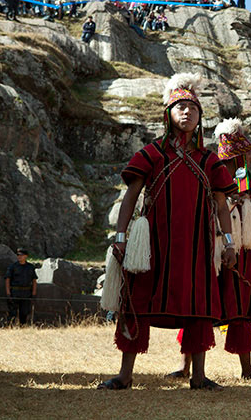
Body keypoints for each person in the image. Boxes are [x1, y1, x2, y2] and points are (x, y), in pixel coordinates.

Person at [98, 73, 237, 390]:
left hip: (196, 247)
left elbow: (221, 205)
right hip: (152, 245)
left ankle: (199, 376)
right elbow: (131, 196)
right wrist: (120, 238)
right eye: (180, 107)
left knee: (198, 307)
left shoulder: (209, 160)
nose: (187, 113)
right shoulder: (151, 154)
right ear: (168, 114)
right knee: (138, 301)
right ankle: (125, 374)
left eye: (193, 108)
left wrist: (228, 243)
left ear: (200, 117)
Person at [168, 118, 251, 382]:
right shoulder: (211, 169)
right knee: (200, 302)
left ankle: (246, 368)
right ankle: (186, 366)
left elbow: (248, 196)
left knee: (241, 306)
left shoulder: (244, 175)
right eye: (243, 154)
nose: (248, 158)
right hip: (215, 242)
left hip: (241, 248)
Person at [4, 248, 37, 325]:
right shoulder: (12, 267)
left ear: (26, 256)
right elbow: (7, 279)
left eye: (21, 255)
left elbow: (34, 280)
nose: (19, 257)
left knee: (24, 312)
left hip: (26, 293)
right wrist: (8, 293)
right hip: (15, 292)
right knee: (12, 312)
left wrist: (34, 293)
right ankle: (10, 327)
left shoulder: (30, 267)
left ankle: (22, 328)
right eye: (18, 255)